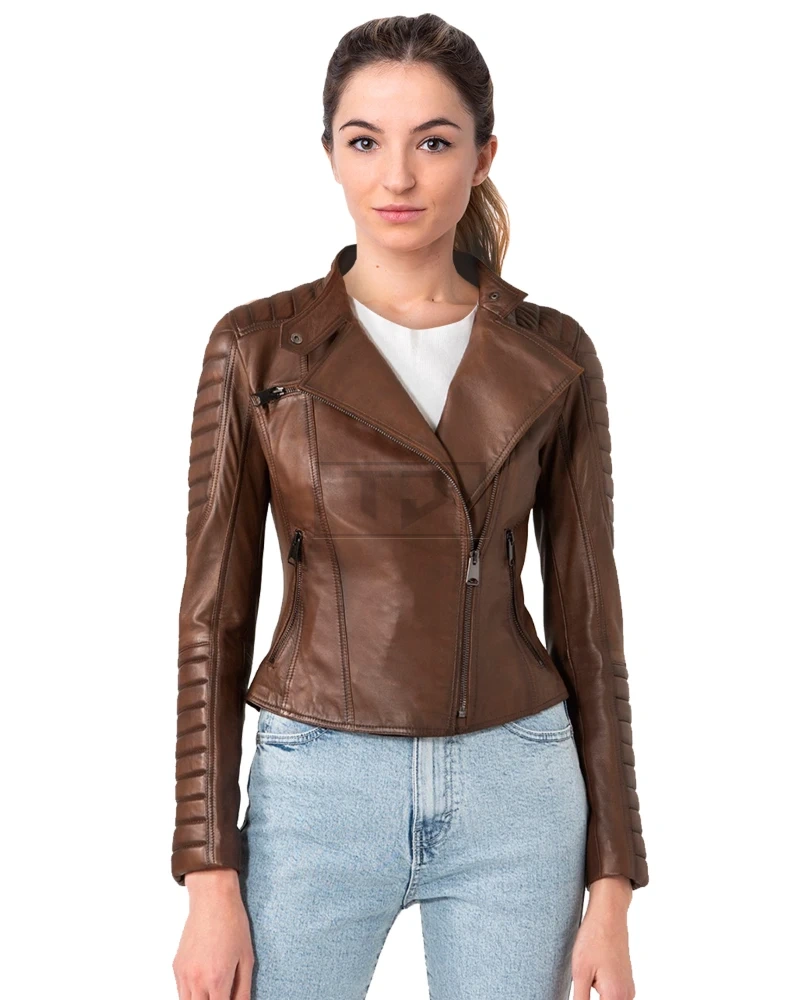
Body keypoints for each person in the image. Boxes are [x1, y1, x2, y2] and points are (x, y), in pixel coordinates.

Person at [171, 13, 648, 1000]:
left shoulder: (554, 351)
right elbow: (212, 619)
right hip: (317, 782)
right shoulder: (255, 349)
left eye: (432, 141)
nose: (396, 177)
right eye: (364, 141)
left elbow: (589, 623)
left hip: (518, 781)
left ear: (482, 157)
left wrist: (612, 882)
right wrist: (207, 873)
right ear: (329, 155)